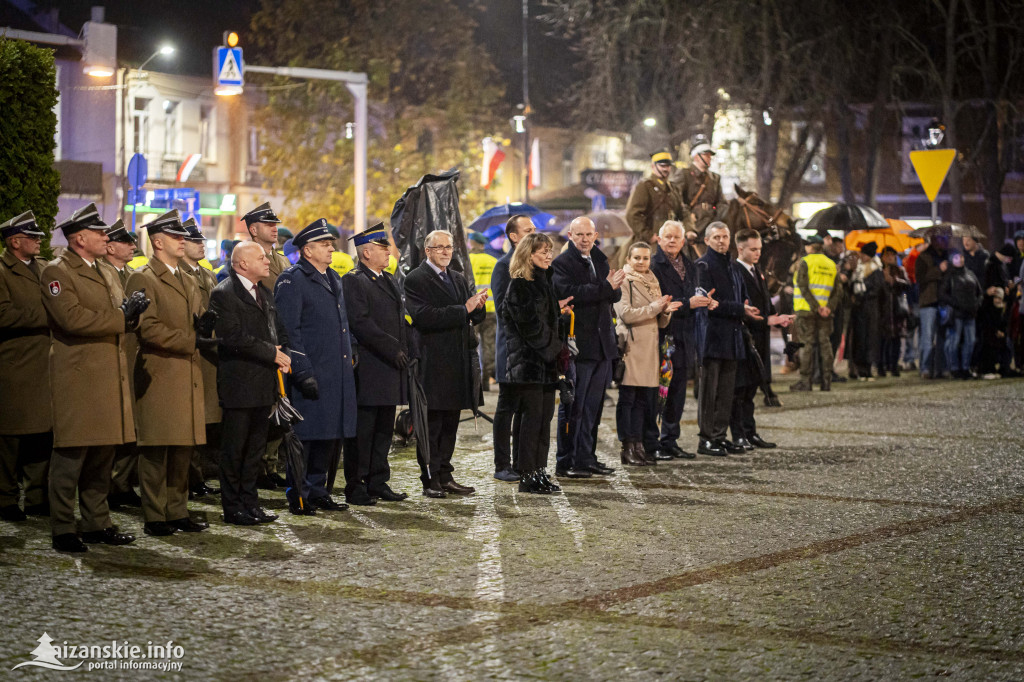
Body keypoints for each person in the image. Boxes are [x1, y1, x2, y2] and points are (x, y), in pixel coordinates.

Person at [42, 203, 146, 551]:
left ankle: (97, 522)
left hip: (108, 376)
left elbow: (113, 315)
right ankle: (62, 528)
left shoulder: (104, 270)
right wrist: (121, 316)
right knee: (70, 457)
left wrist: (132, 315)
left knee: (102, 458)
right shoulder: (58, 272)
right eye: (100, 232)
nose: (107, 237)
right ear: (79, 238)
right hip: (79, 376)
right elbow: (71, 319)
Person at [125, 210, 207, 536]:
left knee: (183, 448)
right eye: (176, 236)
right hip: (160, 372)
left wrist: (209, 328)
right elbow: (149, 329)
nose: (182, 240)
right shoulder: (143, 277)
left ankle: (177, 510)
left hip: (187, 373)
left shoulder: (187, 277)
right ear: (158, 242)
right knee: (156, 449)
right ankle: (155, 515)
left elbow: (199, 319)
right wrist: (193, 340)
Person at [274, 219, 358, 514]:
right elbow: (289, 331)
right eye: (325, 245)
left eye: (330, 244)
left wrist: (351, 353)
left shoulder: (333, 277)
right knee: (306, 438)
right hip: (311, 372)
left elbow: (342, 325)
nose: (331, 248)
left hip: (336, 373)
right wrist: (302, 370)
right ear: (307, 250)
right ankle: (298, 494)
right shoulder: (292, 280)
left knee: (329, 436)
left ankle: (319, 490)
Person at [208, 241, 291, 526]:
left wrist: (285, 351)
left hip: (263, 384)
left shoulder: (264, 292)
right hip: (239, 384)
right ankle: (233, 507)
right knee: (235, 450)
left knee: (255, 449)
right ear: (242, 263)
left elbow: (277, 329)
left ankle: (251, 503)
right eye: (261, 257)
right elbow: (231, 337)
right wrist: (272, 353)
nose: (267, 260)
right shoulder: (224, 294)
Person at [404, 230, 486, 498]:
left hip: (457, 361)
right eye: (439, 247)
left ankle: (446, 474)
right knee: (433, 423)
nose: (446, 252)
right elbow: (424, 316)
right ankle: (430, 478)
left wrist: (478, 306)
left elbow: (472, 314)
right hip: (433, 361)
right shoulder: (416, 279)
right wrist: (464, 309)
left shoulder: (458, 277)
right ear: (427, 250)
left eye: (449, 247)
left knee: (450, 421)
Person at [342, 224, 412, 505]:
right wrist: (392, 348)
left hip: (390, 366)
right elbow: (361, 322)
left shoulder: (389, 279)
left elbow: (399, 318)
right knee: (364, 429)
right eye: (384, 249)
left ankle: (378, 480)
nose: (389, 252)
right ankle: (356, 484)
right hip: (370, 365)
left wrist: (405, 348)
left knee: (384, 427)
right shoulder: (354, 280)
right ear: (366, 252)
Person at [551, 217, 623, 478]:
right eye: (579, 234)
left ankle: (586, 457)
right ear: (570, 235)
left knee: (593, 407)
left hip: (603, 345)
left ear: (595, 235)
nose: (584, 239)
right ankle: (566, 461)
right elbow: (570, 293)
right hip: (578, 345)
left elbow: (611, 296)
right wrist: (606, 287)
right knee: (574, 406)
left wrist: (614, 288)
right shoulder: (561, 263)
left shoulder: (601, 259)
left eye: (588, 234)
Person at [501, 232, 571, 492]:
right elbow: (530, 328)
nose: (549, 256)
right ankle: (527, 475)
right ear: (528, 255)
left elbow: (547, 322)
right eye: (543, 252)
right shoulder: (520, 285)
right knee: (531, 423)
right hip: (528, 364)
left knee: (544, 421)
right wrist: (557, 349)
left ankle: (539, 471)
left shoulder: (545, 281)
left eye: (550, 251)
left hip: (546, 364)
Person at [0, 211, 52, 522]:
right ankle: (5, 499)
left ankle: (37, 497)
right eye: (32, 238)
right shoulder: (2, 272)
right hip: (15, 368)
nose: (37, 242)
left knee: (41, 436)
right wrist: (48, 315)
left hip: (44, 367)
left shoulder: (43, 269)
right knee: (10, 439)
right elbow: (3, 315)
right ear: (14, 241)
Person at [695, 222, 762, 456]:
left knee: (726, 393)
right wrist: (739, 309)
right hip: (712, 339)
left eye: (724, 236)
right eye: (716, 237)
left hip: (732, 339)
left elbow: (741, 298)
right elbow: (707, 303)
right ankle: (705, 439)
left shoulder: (733, 267)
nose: (721, 241)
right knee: (709, 393)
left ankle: (719, 436)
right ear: (707, 241)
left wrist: (745, 308)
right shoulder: (703, 266)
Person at [649, 220, 713, 459]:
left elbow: (694, 292)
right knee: (660, 391)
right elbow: (661, 300)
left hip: (686, 335)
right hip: (664, 334)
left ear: (683, 241)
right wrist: (689, 303)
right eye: (668, 237)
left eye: (677, 237)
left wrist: (705, 300)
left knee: (677, 391)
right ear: (659, 238)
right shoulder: (654, 265)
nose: (672, 240)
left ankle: (670, 439)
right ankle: (652, 441)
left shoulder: (690, 264)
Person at [614, 242, 679, 465]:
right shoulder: (624, 280)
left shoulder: (652, 280)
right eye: (637, 258)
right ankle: (627, 446)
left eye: (645, 258)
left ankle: (639, 444)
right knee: (629, 399)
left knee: (643, 400)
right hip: (632, 348)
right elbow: (625, 314)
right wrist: (656, 308)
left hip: (650, 347)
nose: (642, 262)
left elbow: (659, 322)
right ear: (629, 259)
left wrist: (666, 312)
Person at [241, 201, 291, 488]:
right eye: (268, 225)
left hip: (279, 339)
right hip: (261, 342)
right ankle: (258, 467)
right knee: (263, 409)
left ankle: (270, 465)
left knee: (279, 404)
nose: (274, 229)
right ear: (253, 229)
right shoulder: (246, 259)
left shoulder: (281, 260)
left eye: (275, 224)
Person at [731, 229, 792, 449]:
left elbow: (763, 303)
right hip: (745, 338)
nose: (758, 253)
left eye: (759, 249)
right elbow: (743, 308)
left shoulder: (757, 270)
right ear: (740, 249)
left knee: (752, 388)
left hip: (760, 337)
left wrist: (776, 318)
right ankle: (738, 434)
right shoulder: (735, 271)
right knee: (740, 389)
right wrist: (766, 321)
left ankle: (750, 432)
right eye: (753, 249)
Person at [101, 221, 145, 509]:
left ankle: (122, 483)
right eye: (125, 242)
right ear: (110, 246)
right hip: (108, 357)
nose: (132, 247)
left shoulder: (132, 274)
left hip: (132, 356)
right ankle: (106, 487)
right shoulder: (102, 274)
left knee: (134, 427)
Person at [491, 215, 536, 482]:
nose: (533, 233)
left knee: (524, 407)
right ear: (514, 236)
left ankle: (521, 462)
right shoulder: (503, 266)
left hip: (532, 350)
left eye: (534, 229)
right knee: (506, 407)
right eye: (528, 230)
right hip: (511, 349)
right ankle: (502, 464)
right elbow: (502, 310)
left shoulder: (534, 265)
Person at [181, 219, 221, 498]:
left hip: (210, 351)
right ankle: (190, 478)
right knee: (189, 419)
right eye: (196, 241)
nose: (201, 244)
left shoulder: (207, 273)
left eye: (202, 240)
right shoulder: (182, 273)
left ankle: (198, 476)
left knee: (203, 420)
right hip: (190, 350)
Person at [616, 149, 686, 267]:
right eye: (662, 165)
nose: (666, 169)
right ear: (653, 166)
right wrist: (648, 235)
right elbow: (632, 215)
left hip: (671, 236)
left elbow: (681, 212)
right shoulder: (644, 186)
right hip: (652, 236)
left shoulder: (673, 188)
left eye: (668, 166)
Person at [790, 235, 842, 392]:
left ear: (810, 247)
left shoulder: (805, 262)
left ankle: (806, 382)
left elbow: (802, 286)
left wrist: (815, 307)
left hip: (806, 310)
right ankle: (826, 382)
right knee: (825, 345)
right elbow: (838, 291)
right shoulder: (831, 264)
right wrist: (828, 308)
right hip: (826, 313)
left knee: (806, 345)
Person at [939, 251, 983, 379]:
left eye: (962, 257)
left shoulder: (970, 273)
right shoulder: (950, 276)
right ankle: (954, 368)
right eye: (957, 257)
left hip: (970, 313)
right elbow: (942, 294)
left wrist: (977, 303)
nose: (960, 259)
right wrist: (956, 303)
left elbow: (979, 292)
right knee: (954, 341)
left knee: (970, 341)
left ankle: (965, 368)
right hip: (956, 314)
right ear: (952, 259)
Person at [978, 244, 1017, 377]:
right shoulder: (991, 264)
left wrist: (1007, 288)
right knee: (990, 338)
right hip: (990, 308)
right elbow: (986, 285)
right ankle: (988, 368)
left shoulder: (999, 265)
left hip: (998, 307)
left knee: (999, 338)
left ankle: (1000, 367)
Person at [673, 136, 725, 236]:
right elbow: (676, 199)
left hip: (712, 223)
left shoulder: (715, 178)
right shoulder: (685, 174)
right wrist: (687, 218)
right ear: (696, 156)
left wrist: (717, 218)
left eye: (710, 155)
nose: (709, 157)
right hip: (692, 224)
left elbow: (722, 203)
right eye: (706, 154)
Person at [848, 242, 884, 380]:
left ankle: (867, 369)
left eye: (863, 254)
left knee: (869, 339)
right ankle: (859, 368)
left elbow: (877, 289)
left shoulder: (876, 270)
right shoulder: (858, 270)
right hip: (858, 309)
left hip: (870, 309)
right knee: (859, 339)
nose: (861, 257)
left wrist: (863, 293)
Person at [915, 234, 949, 378]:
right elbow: (920, 278)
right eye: (940, 239)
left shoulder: (948, 257)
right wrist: (939, 270)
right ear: (933, 240)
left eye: (944, 239)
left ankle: (941, 368)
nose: (942, 242)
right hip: (928, 302)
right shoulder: (923, 257)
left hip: (944, 301)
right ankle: (925, 369)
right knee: (927, 339)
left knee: (943, 338)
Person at [468, 232, 499, 386]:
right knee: (489, 346)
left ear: (471, 243)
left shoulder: (467, 261)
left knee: (471, 345)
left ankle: (472, 380)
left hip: (473, 309)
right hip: (491, 309)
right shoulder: (493, 261)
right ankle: (485, 380)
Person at [879, 246, 911, 377]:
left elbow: (908, 285)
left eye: (892, 255)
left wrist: (894, 280)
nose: (890, 257)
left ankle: (894, 365)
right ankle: (882, 366)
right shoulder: (879, 271)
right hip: (883, 310)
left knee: (896, 339)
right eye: (888, 255)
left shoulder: (900, 270)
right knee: (883, 339)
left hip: (897, 310)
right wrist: (884, 280)